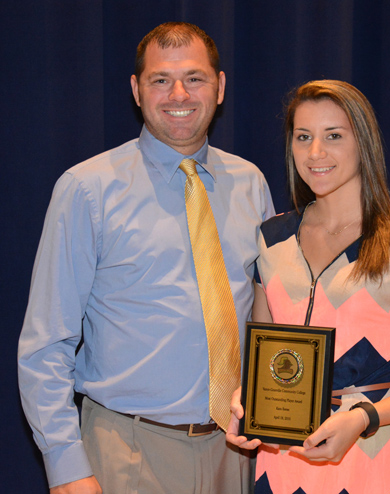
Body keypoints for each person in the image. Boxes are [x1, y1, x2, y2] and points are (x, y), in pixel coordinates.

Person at [18, 22, 274, 494]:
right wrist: (67, 469)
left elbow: (268, 316)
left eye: (195, 78)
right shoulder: (87, 190)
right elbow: (45, 345)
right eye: (160, 80)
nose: (179, 93)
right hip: (127, 453)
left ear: (220, 88)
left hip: (234, 454)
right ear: (137, 90)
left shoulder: (251, 184)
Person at [226, 80, 390, 493]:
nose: (315, 153)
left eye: (334, 136)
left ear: (364, 142)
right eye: (303, 137)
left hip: (378, 455)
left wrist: (365, 417)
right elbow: (266, 359)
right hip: (284, 462)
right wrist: (246, 401)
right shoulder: (271, 240)